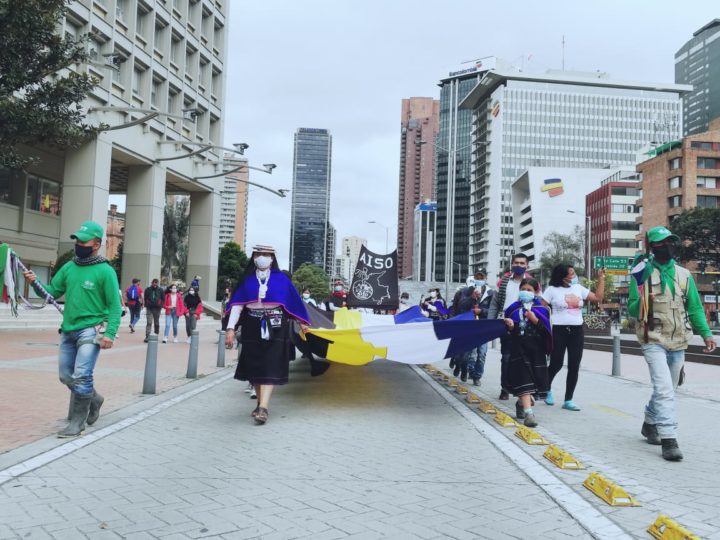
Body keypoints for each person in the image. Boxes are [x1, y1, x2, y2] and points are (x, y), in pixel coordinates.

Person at [22, 220, 121, 437]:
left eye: (83, 241)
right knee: (66, 376)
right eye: (77, 240)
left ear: (96, 244)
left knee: (82, 375)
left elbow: (115, 306)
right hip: (68, 329)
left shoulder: (105, 271)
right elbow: (51, 293)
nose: (78, 244)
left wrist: (110, 334)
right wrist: (35, 282)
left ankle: (78, 422)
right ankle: (94, 400)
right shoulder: (69, 267)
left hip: (91, 330)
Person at [628, 226, 716, 461]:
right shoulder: (641, 272)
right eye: (663, 242)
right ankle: (669, 438)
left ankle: (649, 422)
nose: (669, 246)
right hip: (653, 339)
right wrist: (646, 297)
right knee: (665, 388)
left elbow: (695, 308)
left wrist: (706, 334)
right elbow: (632, 308)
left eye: (671, 242)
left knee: (670, 388)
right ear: (653, 247)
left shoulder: (684, 275)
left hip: (678, 340)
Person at [224, 245, 310, 424]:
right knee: (256, 365)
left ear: (272, 258)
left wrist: (302, 322)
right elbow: (237, 305)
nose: (262, 257)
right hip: (252, 325)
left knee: (271, 363)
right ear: (254, 257)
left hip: (276, 325)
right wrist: (231, 328)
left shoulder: (281, 280)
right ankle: (259, 403)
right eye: (259, 254)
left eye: (266, 254)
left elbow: (294, 302)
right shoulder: (247, 280)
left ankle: (264, 407)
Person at [542, 263, 605, 411]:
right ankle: (546, 389)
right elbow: (541, 306)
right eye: (571, 273)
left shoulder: (578, 288)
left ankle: (568, 399)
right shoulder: (551, 290)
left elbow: (597, 298)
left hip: (576, 331)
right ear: (563, 277)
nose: (574, 275)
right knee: (556, 364)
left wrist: (601, 279)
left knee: (574, 366)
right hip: (558, 330)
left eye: (573, 272)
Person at [488, 253, 538, 400]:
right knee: (507, 358)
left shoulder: (532, 281)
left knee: (526, 359)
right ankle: (505, 388)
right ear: (512, 264)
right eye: (516, 263)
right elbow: (495, 304)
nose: (519, 265)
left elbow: (538, 303)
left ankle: (524, 391)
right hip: (507, 324)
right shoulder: (503, 282)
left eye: (522, 263)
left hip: (527, 325)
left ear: (527, 265)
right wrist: (491, 323)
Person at [503, 278, 551, 427]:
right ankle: (529, 414)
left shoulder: (542, 309)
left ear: (536, 291)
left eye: (529, 290)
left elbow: (547, 332)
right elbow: (507, 332)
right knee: (523, 379)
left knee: (533, 384)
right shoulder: (512, 309)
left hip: (536, 351)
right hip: (518, 349)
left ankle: (521, 403)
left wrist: (535, 320)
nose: (525, 292)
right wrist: (510, 326)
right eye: (523, 289)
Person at [455, 270, 495, 385]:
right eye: (477, 277)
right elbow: (461, 305)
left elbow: (493, 311)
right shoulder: (467, 291)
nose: (479, 279)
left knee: (482, 353)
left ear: (485, 278)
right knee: (468, 353)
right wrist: (471, 298)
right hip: (469, 326)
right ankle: (468, 370)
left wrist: (481, 311)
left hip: (483, 327)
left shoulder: (491, 293)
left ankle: (477, 376)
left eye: (481, 277)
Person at [143, 278, 163, 343]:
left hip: (157, 309)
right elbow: (145, 297)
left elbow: (163, 299)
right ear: (152, 283)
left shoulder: (160, 290)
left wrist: (160, 306)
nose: (155, 284)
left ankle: (156, 334)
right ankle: (147, 336)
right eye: (154, 282)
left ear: (158, 283)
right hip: (149, 308)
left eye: (156, 283)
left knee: (156, 323)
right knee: (149, 322)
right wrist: (146, 304)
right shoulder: (148, 289)